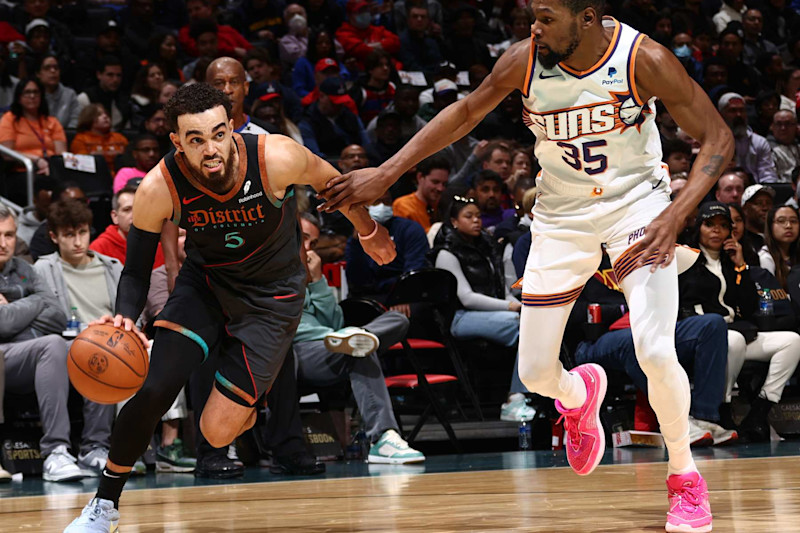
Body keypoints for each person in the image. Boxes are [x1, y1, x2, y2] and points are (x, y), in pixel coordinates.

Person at [318, 3, 736, 529]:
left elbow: (718, 138)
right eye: (531, 16)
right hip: (561, 216)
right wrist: (386, 172)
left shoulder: (643, 58)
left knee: (655, 348)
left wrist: (676, 214)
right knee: (537, 373)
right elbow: (466, 113)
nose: (534, 28)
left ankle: (685, 477)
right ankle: (579, 393)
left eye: (545, 16)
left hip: (638, 207)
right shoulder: (524, 59)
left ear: (586, 18)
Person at [63, 82, 395, 532]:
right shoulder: (159, 187)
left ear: (232, 128)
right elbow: (138, 271)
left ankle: (242, 407)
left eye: (219, 134)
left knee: (217, 432)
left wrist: (368, 230)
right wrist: (124, 314)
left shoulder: (275, 157)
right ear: (177, 142)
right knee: (154, 388)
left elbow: (334, 185)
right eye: (196, 140)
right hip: (207, 285)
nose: (211, 149)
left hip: (273, 300)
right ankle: (103, 505)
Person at [296, 215, 425, 463]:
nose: (310, 248)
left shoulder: (312, 272)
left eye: (314, 242)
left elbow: (334, 322)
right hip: (295, 352)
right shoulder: (272, 271)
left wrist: (318, 281)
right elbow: (288, 328)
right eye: (304, 240)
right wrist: (335, 335)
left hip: (331, 345)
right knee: (358, 347)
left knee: (397, 321)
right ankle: (383, 438)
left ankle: (361, 338)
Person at [679, 202, 800, 443]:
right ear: (699, 228)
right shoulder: (685, 259)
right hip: (702, 335)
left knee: (792, 341)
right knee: (733, 340)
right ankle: (722, 407)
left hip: (736, 333)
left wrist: (741, 267)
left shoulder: (733, 263)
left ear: (731, 233)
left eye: (723, 226)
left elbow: (748, 307)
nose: (716, 231)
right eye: (709, 225)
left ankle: (760, 410)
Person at [0, 205, 90, 483]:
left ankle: (58, 453)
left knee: (61, 345)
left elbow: (58, 315)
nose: (4, 244)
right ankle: (56, 448)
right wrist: (35, 306)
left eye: (10, 235)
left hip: (23, 355)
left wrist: (17, 307)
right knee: (50, 345)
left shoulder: (25, 269)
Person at [33, 198, 120, 473]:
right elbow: (42, 317)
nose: (77, 242)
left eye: (82, 232)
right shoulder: (43, 269)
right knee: (95, 352)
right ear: (54, 237)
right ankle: (80, 448)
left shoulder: (112, 266)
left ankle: (116, 448)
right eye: (69, 235)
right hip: (70, 343)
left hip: (115, 340)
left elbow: (133, 313)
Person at [430, 198, 528, 421]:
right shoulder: (446, 253)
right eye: (469, 216)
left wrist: (521, 303)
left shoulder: (487, 246)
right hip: (460, 318)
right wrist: (511, 306)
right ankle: (515, 399)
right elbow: (466, 298)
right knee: (523, 325)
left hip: (494, 313)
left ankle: (532, 394)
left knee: (535, 322)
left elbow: (502, 287)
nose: (476, 221)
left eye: (478, 216)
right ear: (454, 221)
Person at [345, 191, 430, 302]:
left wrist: (401, 297)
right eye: (376, 202)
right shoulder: (358, 236)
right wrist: (356, 244)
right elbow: (356, 281)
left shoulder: (410, 229)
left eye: (387, 201)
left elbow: (415, 271)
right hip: (369, 297)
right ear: (364, 206)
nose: (382, 206)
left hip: (404, 294)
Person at [0, 77, 65, 204]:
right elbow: (6, 153)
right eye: (27, 92)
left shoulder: (52, 121)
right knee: (45, 184)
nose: (32, 96)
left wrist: (50, 166)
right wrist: (36, 160)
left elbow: (61, 153)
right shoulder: (10, 119)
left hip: (50, 169)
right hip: (22, 170)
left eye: (36, 92)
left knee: (69, 182)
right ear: (19, 97)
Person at [89, 187, 166, 269]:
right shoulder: (99, 248)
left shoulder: (158, 247)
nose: (134, 215)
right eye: (127, 210)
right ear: (115, 216)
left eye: (139, 209)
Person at [718, 92, 779, 183]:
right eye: (733, 111)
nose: (738, 115)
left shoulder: (759, 142)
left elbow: (767, 175)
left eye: (742, 110)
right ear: (721, 115)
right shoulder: (712, 143)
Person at [206, 57, 269, 135]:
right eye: (219, 83)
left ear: (245, 87)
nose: (227, 90)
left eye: (234, 82)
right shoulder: (194, 134)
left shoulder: (267, 134)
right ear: (208, 90)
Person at [393, 154, 449, 232]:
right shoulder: (403, 205)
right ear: (420, 177)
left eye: (444, 184)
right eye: (435, 182)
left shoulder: (445, 205)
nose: (440, 188)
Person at [69, 104, 129, 175]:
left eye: (106, 114)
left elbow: (129, 159)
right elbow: (83, 164)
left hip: (120, 174)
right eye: (99, 115)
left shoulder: (119, 138)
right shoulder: (81, 139)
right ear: (88, 118)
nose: (105, 117)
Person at [76, 56, 130, 132]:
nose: (115, 80)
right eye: (110, 75)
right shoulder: (85, 98)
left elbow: (127, 129)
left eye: (118, 75)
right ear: (99, 75)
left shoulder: (124, 99)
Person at [757, 205, 800, 284]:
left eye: (793, 221)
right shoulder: (766, 257)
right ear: (770, 226)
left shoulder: (795, 254)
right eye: (781, 221)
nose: (788, 226)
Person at [36, 54, 78, 129]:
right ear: (38, 74)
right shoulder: (34, 95)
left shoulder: (70, 95)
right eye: (47, 68)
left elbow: (75, 123)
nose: (53, 71)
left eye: (56, 68)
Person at [129, 63, 165, 131]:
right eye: (152, 75)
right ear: (144, 81)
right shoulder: (137, 102)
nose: (157, 77)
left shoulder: (168, 95)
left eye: (159, 74)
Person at [768, 110, 799, 184]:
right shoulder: (767, 149)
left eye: (788, 124)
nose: (783, 128)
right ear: (772, 127)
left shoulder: (798, 147)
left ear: (796, 127)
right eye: (779, 124)